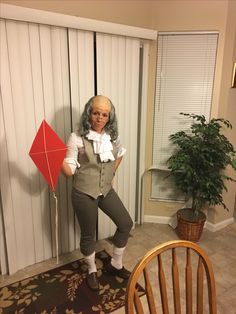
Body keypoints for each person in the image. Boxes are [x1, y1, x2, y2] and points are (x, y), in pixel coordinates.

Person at [61, 95, 133, 291]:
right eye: (96, 113)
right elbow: (69, 171)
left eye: (104, 114)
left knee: (126, 223)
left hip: (106, 190)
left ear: (109, 117)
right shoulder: (76, 137)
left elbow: (120, 154)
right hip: (83, 192)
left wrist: (111, 174)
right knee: (88, 235)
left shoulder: (112, 137)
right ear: (88, 113)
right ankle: (92, 270)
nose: (100, 118)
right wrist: (59, 162)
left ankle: (115, 265)